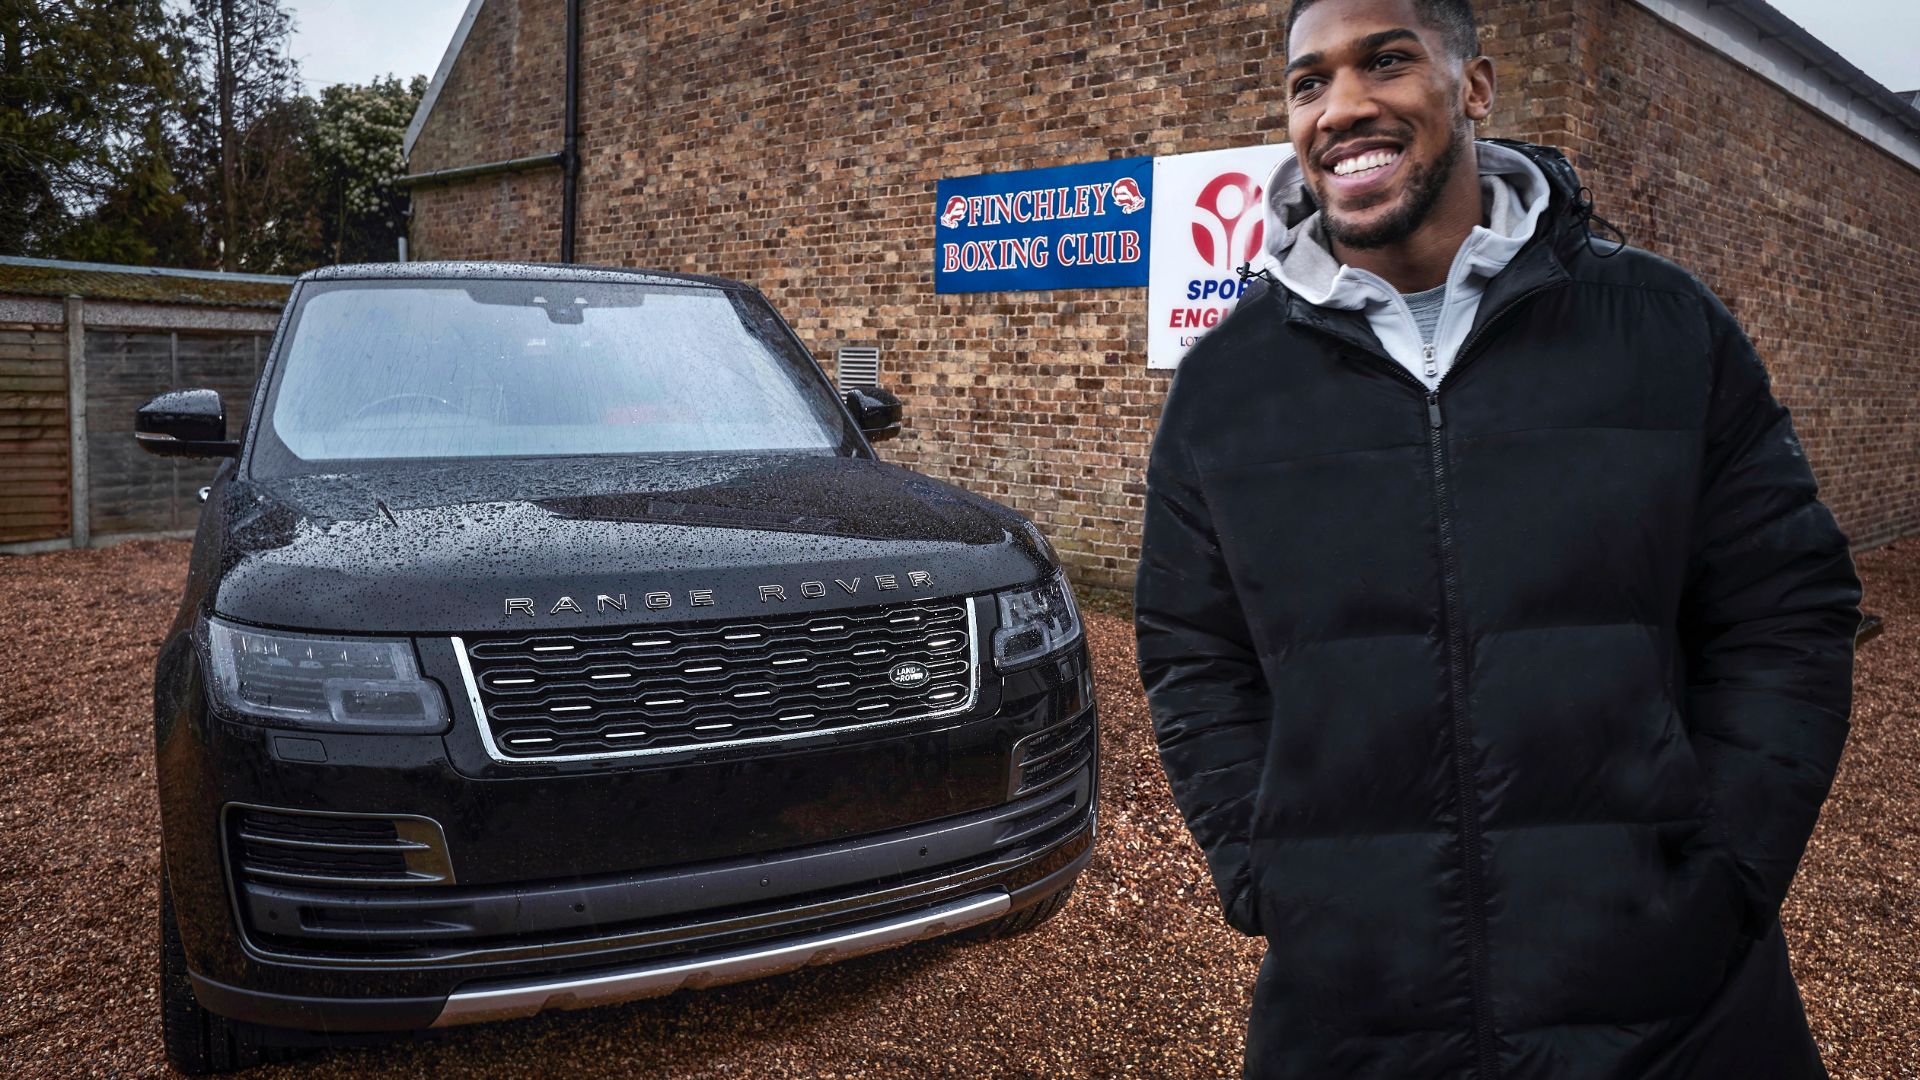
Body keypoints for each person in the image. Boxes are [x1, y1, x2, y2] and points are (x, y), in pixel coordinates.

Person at [1132, 0, 1863, 1076]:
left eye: (1386, 61)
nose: (1342, 107)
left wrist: (1728, 870)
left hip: (1676, 1015)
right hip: (1357, 1017)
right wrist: (1265, 868)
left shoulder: (1662, 327)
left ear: (1473, 89)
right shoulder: (1228, 386)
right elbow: (1193, 652)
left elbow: (1787, 606)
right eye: (1308, 80)